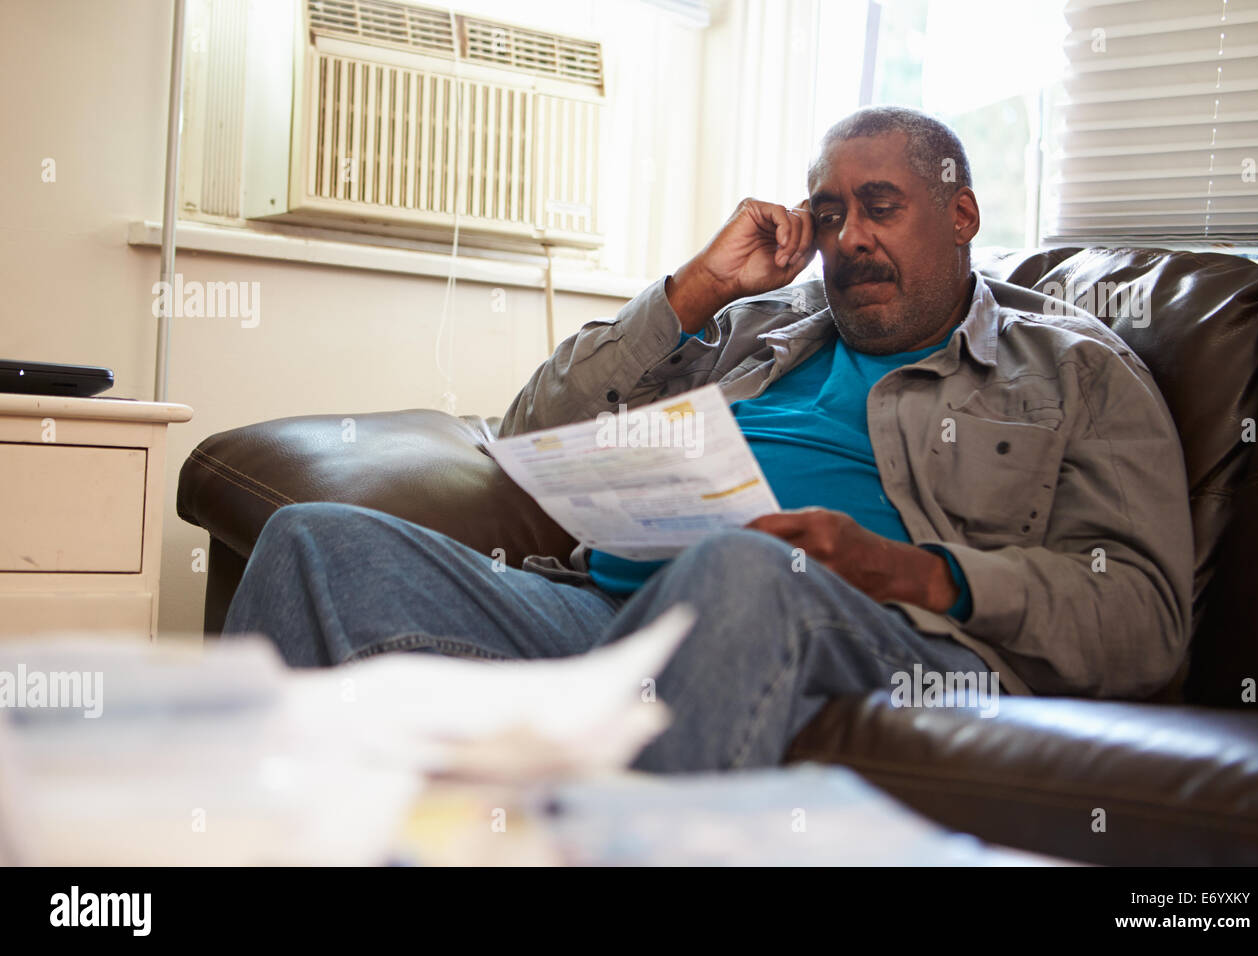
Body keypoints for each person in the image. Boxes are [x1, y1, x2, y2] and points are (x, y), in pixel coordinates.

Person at [224, 106, 1194, 773]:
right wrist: (698, 289)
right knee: (317, 540)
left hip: (885, 640)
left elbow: (1146, 618)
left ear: (961, 212)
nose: (848, 236)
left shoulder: (1070, 369)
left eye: (880, 206)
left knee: (741, 566)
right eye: (828, 214)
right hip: (618, 616)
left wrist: (911, 570)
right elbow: (528, 430)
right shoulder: (752, 330)